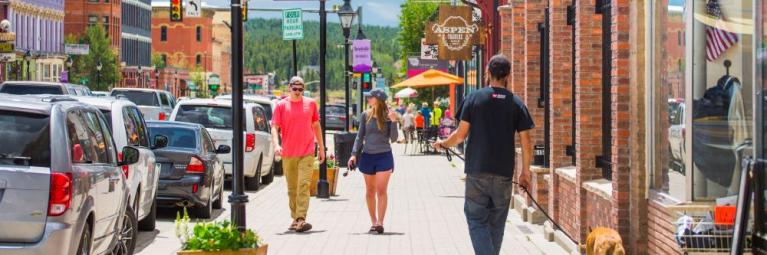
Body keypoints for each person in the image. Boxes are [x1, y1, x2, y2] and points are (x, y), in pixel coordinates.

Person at [433, 55, 534, 255]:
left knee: (477, 220)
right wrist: (525, 172)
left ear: (487, 73)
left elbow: (460, 135)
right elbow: (527, 141)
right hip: (504, 174)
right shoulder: (516, 103)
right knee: (496, 224)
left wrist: (443, 144)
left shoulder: (474, 99)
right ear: (508, 75)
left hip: (477, 171)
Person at [271, 76, 326, 233]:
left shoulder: (310, 104)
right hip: (288, 153)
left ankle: (301, 218)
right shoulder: (281, 105)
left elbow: (316, 125)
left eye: (300, 89)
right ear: (289, 88)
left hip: (307, 151)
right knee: (292, 188)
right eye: (294, 89)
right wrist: (276, 145)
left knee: (303, 185)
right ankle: (295, 218)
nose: (297, 92)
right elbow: (274, 127)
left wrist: (322, 148)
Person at [348, 89, 399, 234]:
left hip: (384, 156)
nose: (368, 99)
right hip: (367, 156)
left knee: (381, 190)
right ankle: (374, 221)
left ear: (378, 99)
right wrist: (353, 155)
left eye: (370, 97)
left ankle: (380, 223)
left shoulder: (388, 116)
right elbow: (359, 136)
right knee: (370, 191)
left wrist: (394, 121)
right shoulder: (366, 115)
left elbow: (394, 138)